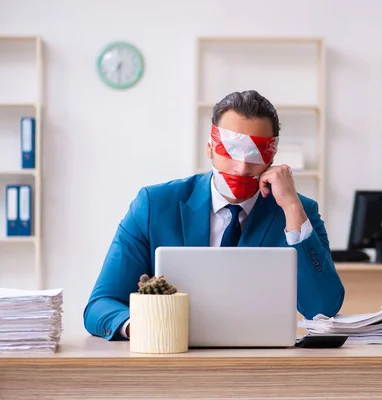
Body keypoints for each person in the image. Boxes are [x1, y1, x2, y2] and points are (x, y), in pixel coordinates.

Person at [83, 90, 345, 340]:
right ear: (210, 148)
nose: (242, 167)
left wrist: (291, 207)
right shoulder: (154, 205)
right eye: (230, 150)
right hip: (173, 360)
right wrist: (143, 326)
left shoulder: (298, 212)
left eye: (256, 153)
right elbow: (100, 305)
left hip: (263, 365)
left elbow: (323, 308)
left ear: (273, 156)